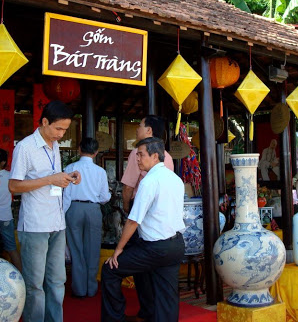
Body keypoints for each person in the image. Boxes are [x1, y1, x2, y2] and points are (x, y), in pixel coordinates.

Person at [9, 100, 82, 322]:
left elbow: (50, 180)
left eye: (65, 130)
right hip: (35, 225)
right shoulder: (25, 147)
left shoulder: (55, 146)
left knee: (57, 281)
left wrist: (67, 178)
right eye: (58, 128)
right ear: (44, 122)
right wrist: (51, 179)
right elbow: (14, 186)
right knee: (34, 284)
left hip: (57, 222)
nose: (61, 134)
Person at [101, 137, 185, 322]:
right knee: (167, 295)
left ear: (155, 156)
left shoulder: (149, 181)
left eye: (140, 155)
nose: (137, 159)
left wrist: (118, 250)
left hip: (155, 248)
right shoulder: (175, 179)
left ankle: (114, 319)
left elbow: (133, 221)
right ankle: (149, 314)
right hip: (176, 244)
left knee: (110, 269)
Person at [120, 115, 174, 322]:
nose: (137, 128)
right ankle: (158, 312)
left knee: (140, 264)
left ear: (149, 130)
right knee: (157, 268)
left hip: (140, 210)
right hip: (161, 214)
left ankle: (147, 311)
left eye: (140, 125)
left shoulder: (138, 153)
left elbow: (128, 186)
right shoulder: (166, 156)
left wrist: (127, 207)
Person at [63, 137, 111, 298]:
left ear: (79, 149)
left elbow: (66, 196)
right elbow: (105, 197)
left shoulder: (70, 168)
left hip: (74, 208)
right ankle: (91, 288)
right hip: (93, 209)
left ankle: (79, 288)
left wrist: (62, 215)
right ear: (96, 152)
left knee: (76, 249)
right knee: (93, 249)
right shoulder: (100, 172)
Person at [0, 148, 22, 272]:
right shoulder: (9, 177)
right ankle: (21, 276)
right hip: (5, 216)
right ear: (3, 162)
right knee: (12, 248)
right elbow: (18, 191)